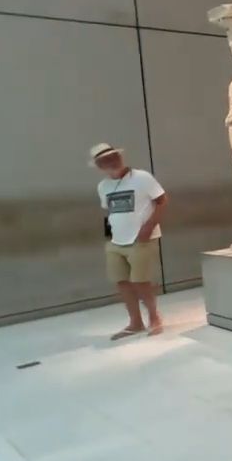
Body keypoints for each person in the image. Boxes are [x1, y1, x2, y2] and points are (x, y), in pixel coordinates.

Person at [90, 143, 168, 340]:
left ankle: (154, 318)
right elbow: (109, 213)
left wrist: (149, 226)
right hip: (116, 242)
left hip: (141, 239)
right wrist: (109, 238)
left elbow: (162, 200)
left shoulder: (142, 178)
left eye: (113, 156)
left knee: (141, 281)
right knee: (122, 282)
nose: (111, 161)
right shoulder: (103, 186)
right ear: (99, 166)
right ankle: (135, 322)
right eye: (105, 160)